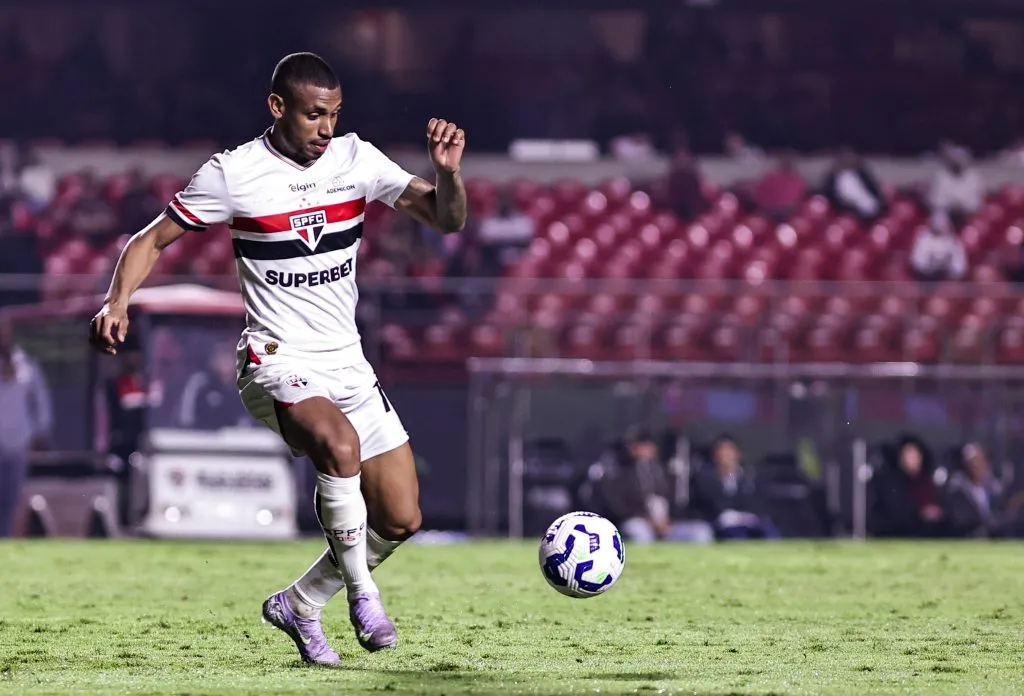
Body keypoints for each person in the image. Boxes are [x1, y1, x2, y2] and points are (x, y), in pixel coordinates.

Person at [89, 53, 467, 666]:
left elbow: (446, 220)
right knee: (338, 447)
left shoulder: (355, 159)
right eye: (315, 114)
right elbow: (151, 239)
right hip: (275, 358)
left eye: (335, 114)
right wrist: (117, 301)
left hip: (348, 363)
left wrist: (448, 175)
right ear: (278, 107)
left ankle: (300, 602)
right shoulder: (234, 174)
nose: (326, 127)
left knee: (400, 517)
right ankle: (363, 596)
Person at [594, 427, 713, 545]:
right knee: (639, 532)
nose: (644, 450)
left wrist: (670, 522)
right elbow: (618, 508)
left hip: (668, 525)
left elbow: (678, 503)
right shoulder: (621, 474)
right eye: (639, 445)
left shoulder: (666, 473)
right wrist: (648, 519)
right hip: (640, 522)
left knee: (702, 531)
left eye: (647, 445)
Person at [0, 317, 53, 537]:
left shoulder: (26, 365)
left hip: (17, 444)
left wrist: (41, 431)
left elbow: (40, 400)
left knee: (10, 500)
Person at [689, 434, 779, 540]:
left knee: (769, 532)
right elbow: (707, 505)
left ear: (738, 454)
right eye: (722, 451)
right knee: (737, 535)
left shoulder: (749, 477)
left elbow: (758, 502)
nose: (726, 455)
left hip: (749, 520)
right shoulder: (705, 478)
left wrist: (745, 516)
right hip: (722, 525)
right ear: (715, 455)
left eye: (729, 451)